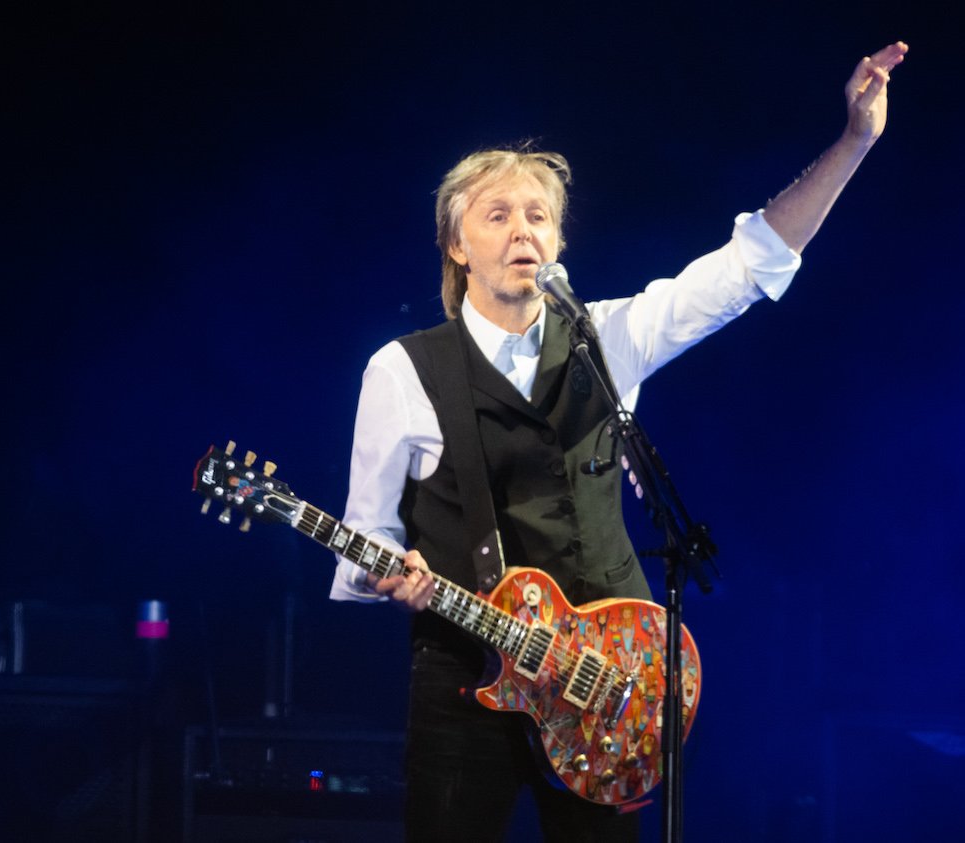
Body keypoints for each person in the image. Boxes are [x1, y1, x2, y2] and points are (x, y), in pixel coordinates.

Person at [330, 41, 908, 843]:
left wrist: (854, 141)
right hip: (469, 682)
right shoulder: (403, 369)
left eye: (538, 216)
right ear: (457, 247)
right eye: (496, 216)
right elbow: (363, 542)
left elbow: (746, 269)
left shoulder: (605, 338)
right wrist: (394, 575)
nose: (521, 231)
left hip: (606, 685)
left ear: (559, 244)